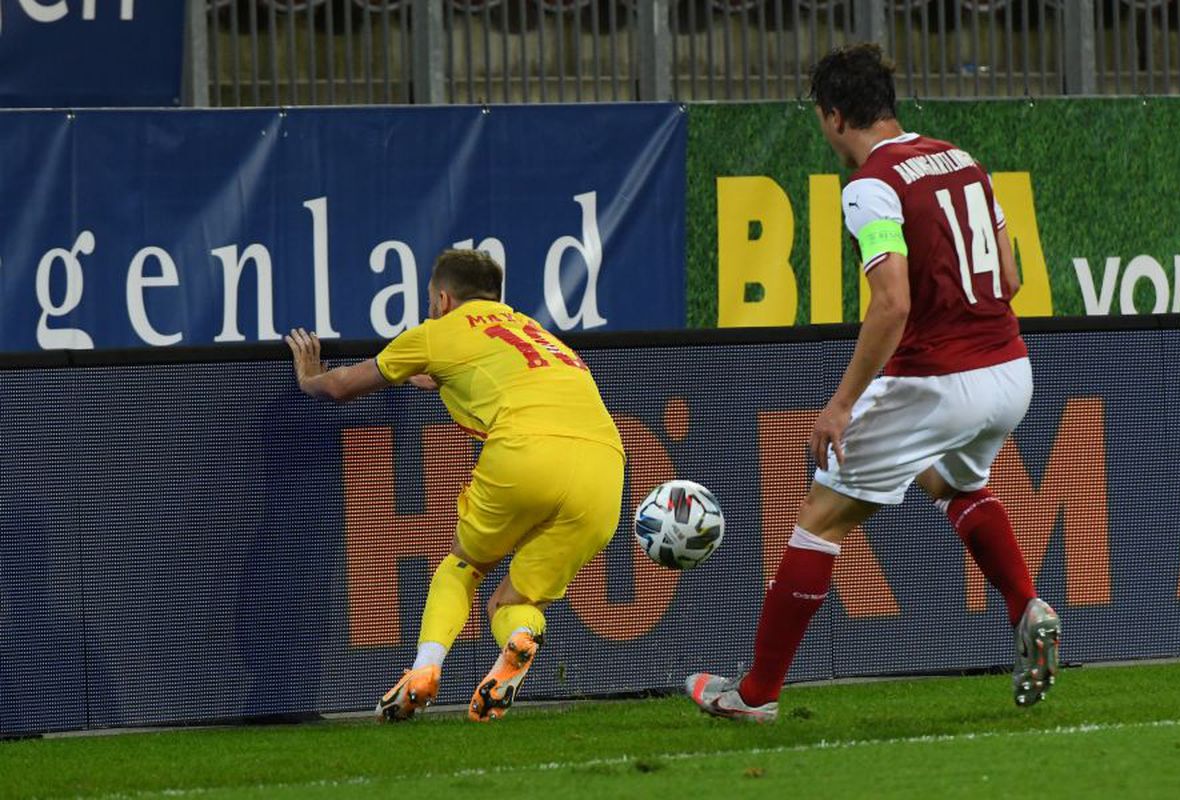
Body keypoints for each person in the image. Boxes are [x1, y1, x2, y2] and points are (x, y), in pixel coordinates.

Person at [687, 43, 1060, 722]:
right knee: (953, 481)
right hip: (1011, 372)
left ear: (833, 117)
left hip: (937, 381)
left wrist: (841, 404)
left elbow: (891, 303)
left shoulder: (870, 185)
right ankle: (1025, 606)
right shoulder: (963, 161)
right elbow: (1010, 279)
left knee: (819, 521)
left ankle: (756, 695)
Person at [285, 249, 624, 723]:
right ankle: (519, 640)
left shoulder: (438, 332)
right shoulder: (538, 334)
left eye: (429, 301)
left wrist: (310, 378)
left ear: (443, 298)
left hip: (526, 452)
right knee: (515, 601)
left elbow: (342, 387)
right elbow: (491, 372)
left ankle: (424, 671)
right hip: (606, 467)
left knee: (462, 566)